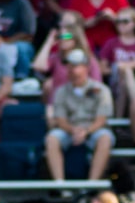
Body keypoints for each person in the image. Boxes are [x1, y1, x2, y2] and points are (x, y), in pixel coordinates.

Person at [44, 48, 114, 182]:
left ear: (86, 67)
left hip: (93, 129)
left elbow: (101, 119)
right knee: (52, 138)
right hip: (69, 130)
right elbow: (60, 119)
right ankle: (60, 184)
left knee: (105, 138)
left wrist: (86, 131)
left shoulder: (101, 90)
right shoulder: (61, 91)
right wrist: (73, 130)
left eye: (76, 65)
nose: (71, 69)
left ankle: (92, 183)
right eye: (69, 66)